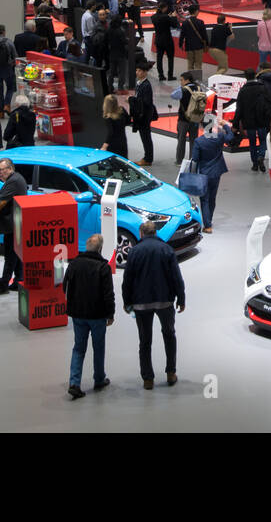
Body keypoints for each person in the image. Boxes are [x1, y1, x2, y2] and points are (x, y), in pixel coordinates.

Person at [121, 220, 185, 390]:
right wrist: (181, 298)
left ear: (141, 234)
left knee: (145, 341)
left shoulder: (134, 251)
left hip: (141, 304)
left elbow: (127, 280)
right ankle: (171, 373)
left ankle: (148, 379)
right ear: (155, 233)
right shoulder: (166, 250)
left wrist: (127, 302)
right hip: (165, 301)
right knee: (169, 335)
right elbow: (176, 277)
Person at [64, 233, 115, 398]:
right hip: (97, 315)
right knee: (98, 347)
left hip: (78, 314)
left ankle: (74, 383)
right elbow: (108, 294)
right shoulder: (103, 267)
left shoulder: (74, 264)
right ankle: (99, 378)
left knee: (78, 348)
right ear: (100, 248)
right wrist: (110, 313)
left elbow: (65, 286)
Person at [0, 157, 27, 294]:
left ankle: (3, 285)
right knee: (15, 254)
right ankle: (19, 280)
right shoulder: (16, 178)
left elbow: (0, 202)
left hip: (12, 225)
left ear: (10, 169)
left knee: (10, 256)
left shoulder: (13, 182)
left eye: (2, 170)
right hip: (16, 224)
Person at [191, 121, 234, 232]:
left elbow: (195, 158)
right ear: (213, 127)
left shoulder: (199, 141)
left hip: (204, 173)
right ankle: (209, 220)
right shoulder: (219, 137)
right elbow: (230, 136)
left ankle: (208, 225)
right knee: (212, 197)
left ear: (202, 128)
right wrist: (225, 125)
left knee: (204, 199)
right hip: (216, 172)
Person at [173, 71, 205, 165]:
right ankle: (193, 160)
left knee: (181, 140)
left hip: (184, 119)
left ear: (187, 80)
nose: (180, 82)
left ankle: (179, 161)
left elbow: (173, 95)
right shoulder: (199, 88)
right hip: (195, 118)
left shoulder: (183, 89)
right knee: (194, 140)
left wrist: (180, 88)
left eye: (182, 80)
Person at [129, 63, 158, 167]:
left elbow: (145, 102)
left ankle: (148, 158)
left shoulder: (146, 85)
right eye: (136, 70)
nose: (137, 72)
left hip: (144, 116)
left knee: (146, 137)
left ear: (145, 72)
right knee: (144, 137)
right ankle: (147, 157)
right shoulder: (139, 83)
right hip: (141, 114)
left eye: (139, 71)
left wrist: (132, 100)